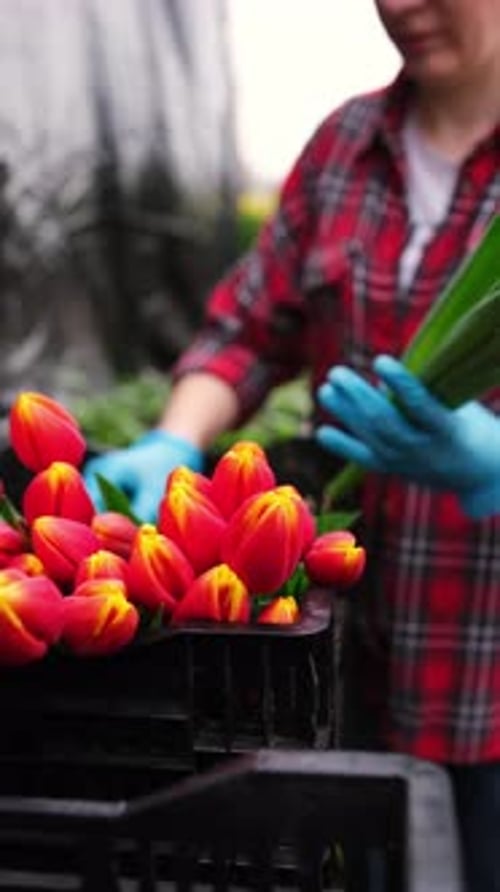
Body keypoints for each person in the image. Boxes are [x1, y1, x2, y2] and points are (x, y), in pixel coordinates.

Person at [84, 1, 500, 888]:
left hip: (486, 678)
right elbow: (245, 328)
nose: (401, 7)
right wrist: (173, 438)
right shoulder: (344, 148)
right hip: (333, 668)